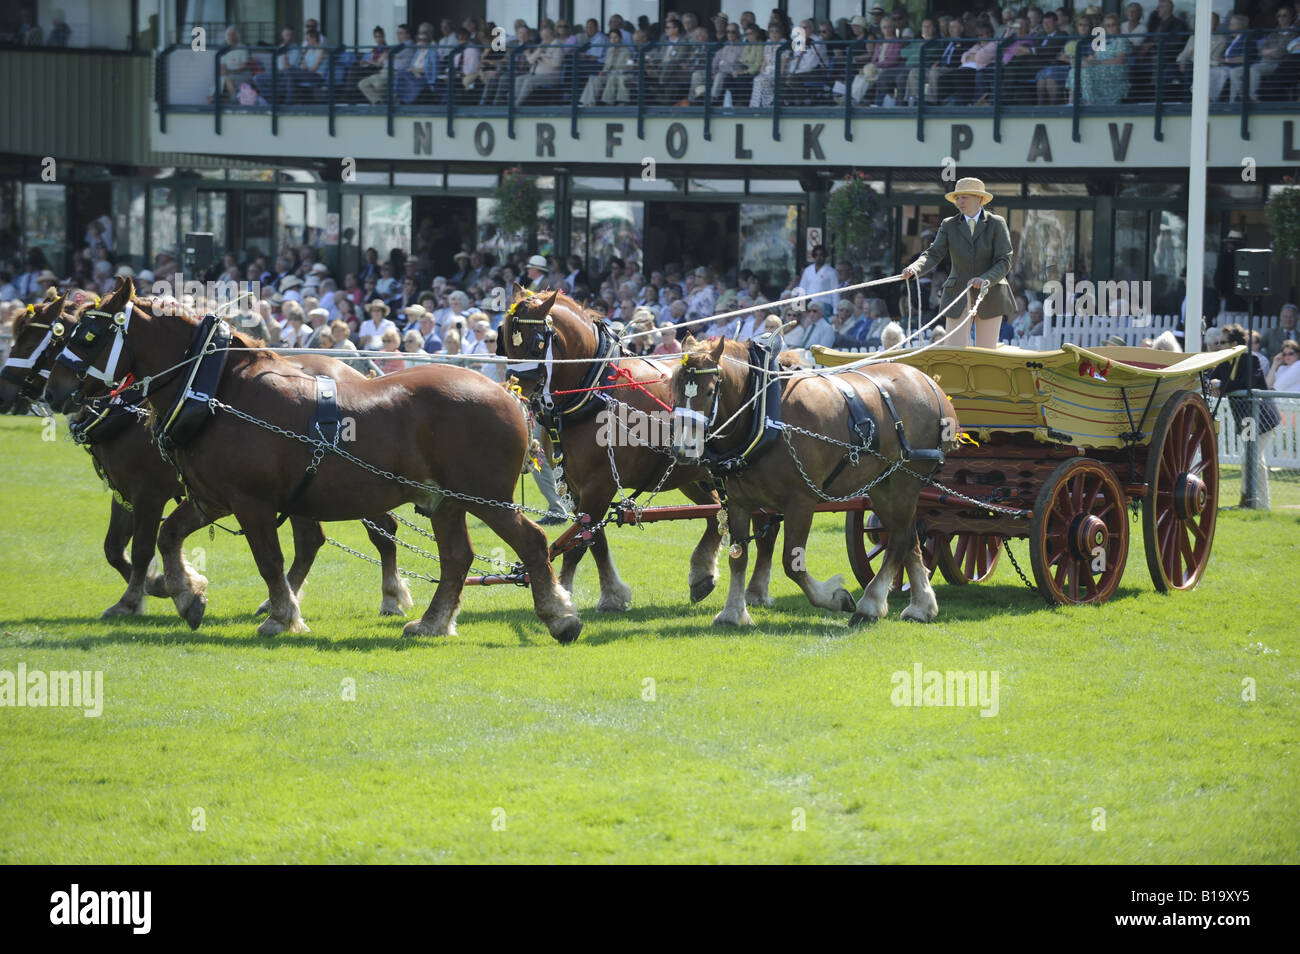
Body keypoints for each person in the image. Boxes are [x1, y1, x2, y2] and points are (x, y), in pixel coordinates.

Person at [902, 177, 1015, 350]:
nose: (959, 201)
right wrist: (915, 269)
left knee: (986, 353)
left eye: (964, 197)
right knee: (953, 351)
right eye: (957, 198)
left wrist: (985, 279)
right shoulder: (949, 225)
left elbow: (1004, 260)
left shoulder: (997, 223)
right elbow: (933, 254)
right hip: (957, 294)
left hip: (991, 293)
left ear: (979, 198)